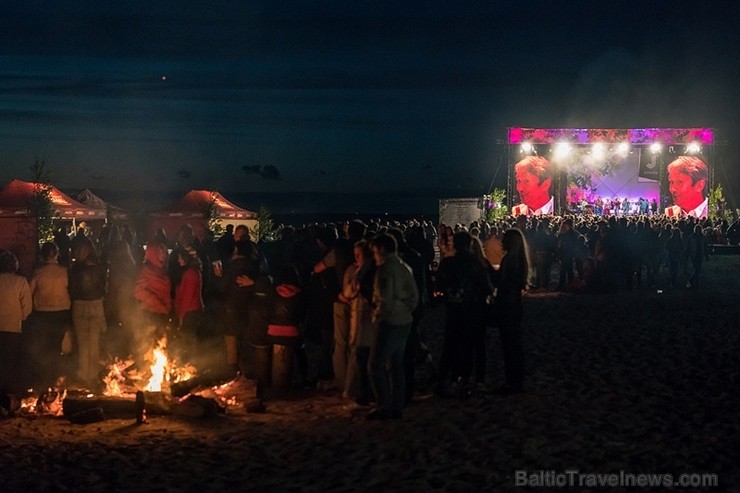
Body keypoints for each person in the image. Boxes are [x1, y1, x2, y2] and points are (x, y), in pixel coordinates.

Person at [366, 233, 419, 420]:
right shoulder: (405, 267)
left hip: (389, 322)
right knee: (397, 365)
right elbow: (414, 297)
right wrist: (406, 311)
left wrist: (378, 316)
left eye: (374, 251)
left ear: (380, 249)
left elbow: (383, 299)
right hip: (404, 321)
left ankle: (384, 406)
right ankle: (398, 405)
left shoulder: (385, 270)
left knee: (375, 365)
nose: (373, 255)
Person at [26, 242, 73, 389]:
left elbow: (28, 292)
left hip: (42, 313)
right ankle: (56, 376)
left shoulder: (38, 272)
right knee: (58, 345)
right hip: (62, 313)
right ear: (57, 254)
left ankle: (44, 377)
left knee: (44, 347)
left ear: (43, 255)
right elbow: (71, 290)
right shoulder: (64, 271)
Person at [492, 228, 531, 395]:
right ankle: (517, 381)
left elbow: (502, 283)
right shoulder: (521, 260)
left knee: (509, 346)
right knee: (515, 345)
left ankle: (512, 382)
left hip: (507, 306)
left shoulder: (510, 261)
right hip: (515, 306)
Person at [68, 238, 108, 387]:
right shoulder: (100, 267)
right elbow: (104, 287)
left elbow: (71, 287)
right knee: (94, 341)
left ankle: (83, 374)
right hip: (96, 304)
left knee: (82, 343)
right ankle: (93, 374)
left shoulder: (75, 268)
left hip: (79, 305)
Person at [0, 251, 32, 395]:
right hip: (13, 326)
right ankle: (9, 390)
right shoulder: (21, 281)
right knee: (11, 360)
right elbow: (27, 306)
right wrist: (22, 318)